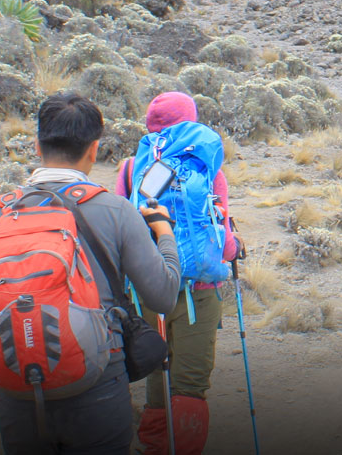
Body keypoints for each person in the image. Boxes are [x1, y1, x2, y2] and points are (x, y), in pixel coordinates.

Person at [0, 93, 183, 454]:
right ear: (94, 150)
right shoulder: (116, 211)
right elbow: (163, 296)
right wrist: (165, 235)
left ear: (36, 145)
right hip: (97, 382)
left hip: (17, 385)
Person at [110, 93, 239, 455]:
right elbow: (222, 239)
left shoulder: (129, 168)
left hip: (149, 290)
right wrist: (234, 248)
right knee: (191, 385)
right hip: (199, 288)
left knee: (156, 374)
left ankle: (154, 447)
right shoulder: (208, 170)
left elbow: (123, 230)